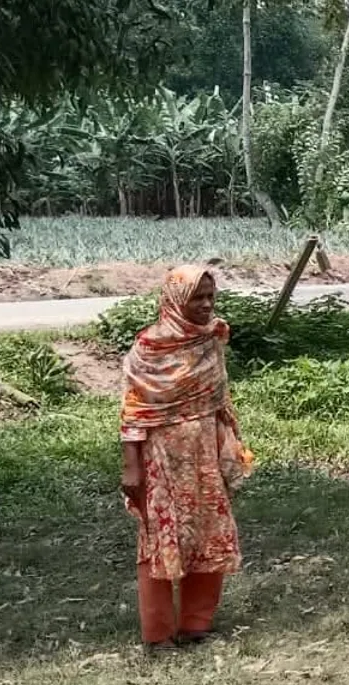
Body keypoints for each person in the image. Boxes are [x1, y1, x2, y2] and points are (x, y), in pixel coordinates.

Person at [119, 265, 254, 653]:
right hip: (160, 456)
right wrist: (131, 465)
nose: (207, 304)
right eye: (198, 297)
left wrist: (229, 445)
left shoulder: (212, 336)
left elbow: (219, 398)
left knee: (208, 533)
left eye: (211, 296)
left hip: (205, 454)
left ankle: (197, 625)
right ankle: (158, 634)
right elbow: (132, 409)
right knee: (161, 538)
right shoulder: (149, 346)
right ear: (176, 299)